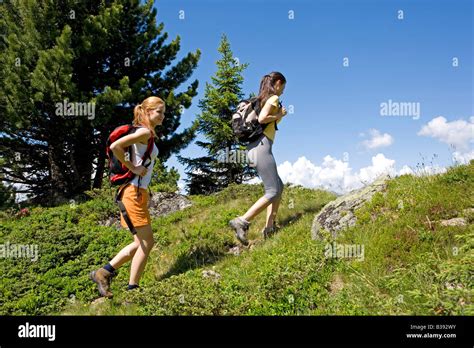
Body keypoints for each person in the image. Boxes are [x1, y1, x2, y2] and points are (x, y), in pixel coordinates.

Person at [90, 96, 165, 298]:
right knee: (147, 242)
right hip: (133, 192)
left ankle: (103, 273)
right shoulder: (143, 131)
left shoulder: (145, 133)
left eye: (164, 112)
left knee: (138, 243)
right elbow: (116, 147)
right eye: (159, 111)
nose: (163, 116)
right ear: (148, 111)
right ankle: (133, 290)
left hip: (136, 192)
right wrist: (133, 167)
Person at [229, 72, 287, 245]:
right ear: (277, 83)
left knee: (279, 186)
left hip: (253, 148)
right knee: (273, 191)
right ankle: (242, 221)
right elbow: (262, 119)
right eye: (282, 87)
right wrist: (280, 115)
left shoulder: (260, 101)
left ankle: (270, 227)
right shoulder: (272, 99)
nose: (283, 92)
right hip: (261, 147)